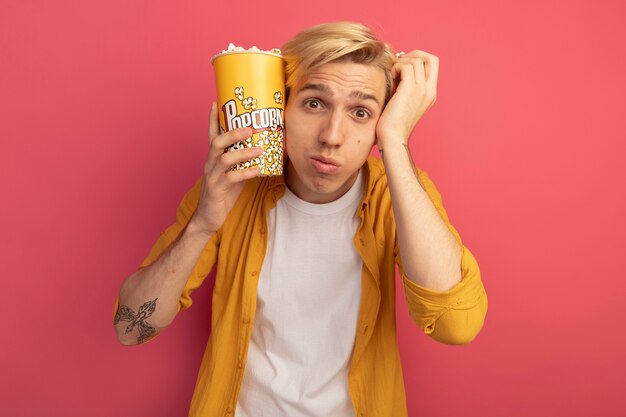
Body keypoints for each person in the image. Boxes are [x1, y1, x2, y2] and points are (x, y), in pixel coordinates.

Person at [113, 21, 488, 417]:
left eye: (361, 112)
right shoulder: (232, 190)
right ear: (283, 108)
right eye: (314, 103)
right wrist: (203, 223)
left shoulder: (396, 194)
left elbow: (456, 325)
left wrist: (395, 140)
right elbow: (130, 329)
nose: (332, 135)